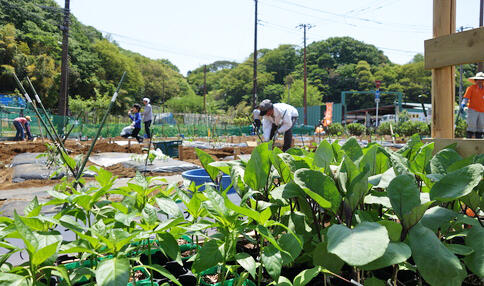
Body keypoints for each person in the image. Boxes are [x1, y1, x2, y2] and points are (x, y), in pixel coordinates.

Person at [462, 72, 484, 139]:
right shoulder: (471, 88)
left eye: (481, 80)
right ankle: (468, 139)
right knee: (472, 125)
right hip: (472, 109)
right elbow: (466, 98)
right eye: (478, 80)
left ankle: (479, 141)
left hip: (482, 111)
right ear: (475, 81)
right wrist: (463, 104)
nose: (480, 81)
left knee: (481, 126)